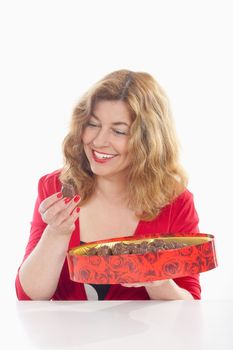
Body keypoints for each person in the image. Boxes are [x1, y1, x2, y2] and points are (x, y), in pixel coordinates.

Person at [15, 69, 201, 301]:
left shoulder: (176, 202)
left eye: (119, 131)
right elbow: (29, 297)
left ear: (148, 140)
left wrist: (159, 281)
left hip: (145, 338)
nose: (99, 141)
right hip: (65, 337)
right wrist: (56, 232)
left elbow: (191, 307)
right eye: (92, 125)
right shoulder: (56, 187)